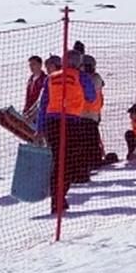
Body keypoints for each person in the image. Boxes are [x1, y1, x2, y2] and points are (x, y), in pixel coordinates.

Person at [36, 49, 96, 214]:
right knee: (70, 161)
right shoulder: (81, 76)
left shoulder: (51, 77)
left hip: (51, 121)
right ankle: (59, 196)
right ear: (78, 63)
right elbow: (91, 97)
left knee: (57, 160)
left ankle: (57, 199)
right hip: (70, 121)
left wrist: (39, 128)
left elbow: (43, 104)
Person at [79, 54, 104, 177]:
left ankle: (94, 160)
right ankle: (91, 160)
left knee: (90, 138)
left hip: (90, 113)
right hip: (85, 113)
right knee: (88, 138)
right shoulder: (89, 78)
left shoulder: (95, 78)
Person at [23, 55, 47, 121]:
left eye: (33, 64)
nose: (31, 67)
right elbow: (27, 96)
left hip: (40, 112)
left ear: (40, 65)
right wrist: (25, 109)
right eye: (30, 65)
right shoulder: (30, 79)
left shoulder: (45, 79)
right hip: (29, 111)